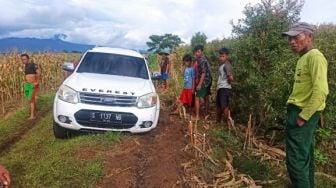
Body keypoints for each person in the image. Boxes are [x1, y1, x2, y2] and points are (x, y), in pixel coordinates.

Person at [282, 22, 329, 187]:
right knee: (304, 156)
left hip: (302, 114)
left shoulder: (315, 57)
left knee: (295, 161)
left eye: (296, 37)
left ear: (309, 37)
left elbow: (321, 91)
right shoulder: (303, 58)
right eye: (290, 38)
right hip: (299, 112)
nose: (292, 41)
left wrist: (303, 117)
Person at [193, 45, 212, 120]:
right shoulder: (202, 59)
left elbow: (203, 73)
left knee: (197, 97)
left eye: (198, 52)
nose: (197, 53)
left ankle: (197, 116)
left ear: (201, 52)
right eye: (196, 52)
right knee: (206, 97)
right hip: (208, 81)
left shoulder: (201, 60)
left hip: (204, 81)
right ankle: (206, 113)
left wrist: (200, 84)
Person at [216, 48, 234, 125]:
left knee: (224, 106)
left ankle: (227, 124)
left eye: (223, 56)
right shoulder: (223, 65)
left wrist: (228, 81)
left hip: (225, 88)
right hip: (221, 88)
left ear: (227, 56)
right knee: (219, 106)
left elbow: (231, 77)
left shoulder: (227, 65)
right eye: (220, 56)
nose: (221, 58)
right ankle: (218, 122)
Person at [21, 53, 41, 120]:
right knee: (30, 99)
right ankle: (34, 110)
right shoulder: (26, 66)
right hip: (28, 85)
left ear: (28, 59)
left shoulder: (33, 64)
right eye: (22, 59)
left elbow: (38, 72)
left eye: (24, 59)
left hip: (33, 84)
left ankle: (32, 116)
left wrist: (37, 82)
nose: (23, 61)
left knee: (31, 100)